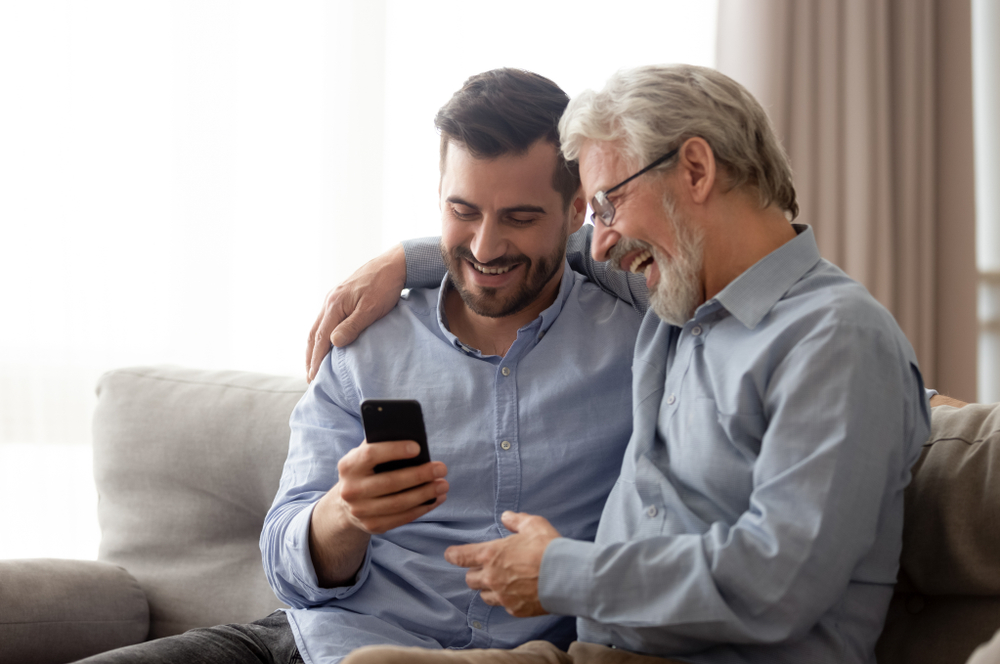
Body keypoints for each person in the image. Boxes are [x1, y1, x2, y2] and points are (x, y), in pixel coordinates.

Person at [311, 65, 932, 664]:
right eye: (595, 212)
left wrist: (561, 573)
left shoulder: (835, 337)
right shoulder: (681, 306)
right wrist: (407, 259)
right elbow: (541, 247)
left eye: (608, 205)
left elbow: (780, 582)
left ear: (695, 169)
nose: (602, 240)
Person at [72, 69, 642, 664]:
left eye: (519, 218)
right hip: (317, 644)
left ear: (577, 208)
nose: (484, 247)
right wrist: (344, 514)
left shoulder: (637, 347)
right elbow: (288, 569)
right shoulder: (367, 340)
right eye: (462, 210)